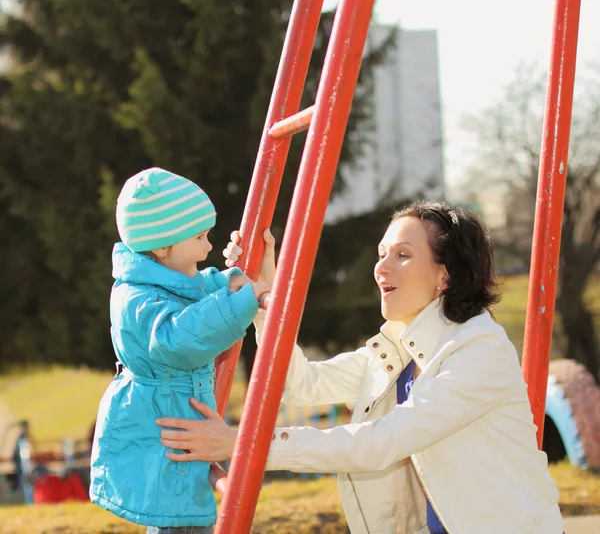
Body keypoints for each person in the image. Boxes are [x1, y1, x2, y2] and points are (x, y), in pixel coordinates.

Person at [157, 201, 564, 534]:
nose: (381, 267)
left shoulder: (478, 349)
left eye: (403, 256)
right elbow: (300, 385)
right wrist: (267, 295)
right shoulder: (400, 347)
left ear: (446, 274)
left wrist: (241, 447)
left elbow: (380, 441)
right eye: (381, 254)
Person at [89, 167, 270, 533]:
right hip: (161, 429)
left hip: (175, 422)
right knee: (178, 523)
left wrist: (228, 280)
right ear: (161, 246)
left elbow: (199, 288)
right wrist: (242, 301)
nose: (207, 247)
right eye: (199, 237)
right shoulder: (138, 298)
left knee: (185, 519)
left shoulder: (161, 282)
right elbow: (178, 341)